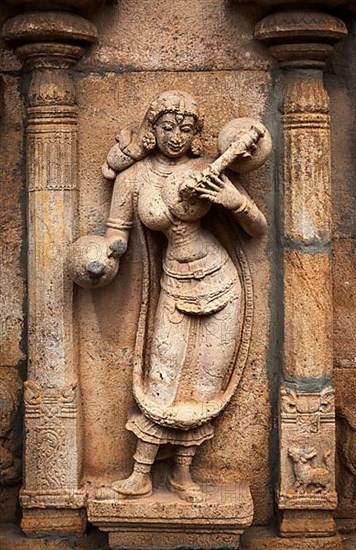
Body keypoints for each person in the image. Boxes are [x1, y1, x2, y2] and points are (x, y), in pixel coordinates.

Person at [74, 90, 267, 502]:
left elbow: (258, 228)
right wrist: (103, 257)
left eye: (185, 128)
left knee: (203, 381)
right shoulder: (133, 177)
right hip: (174, 282)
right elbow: (116, 233)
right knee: (161, 376)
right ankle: (140, 473)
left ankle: (183, 474)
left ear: (196, 133)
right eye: (166, 127)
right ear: (153, 129)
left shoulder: (207, 170)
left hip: (221, 282)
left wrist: (234, 202)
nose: (175, 136)